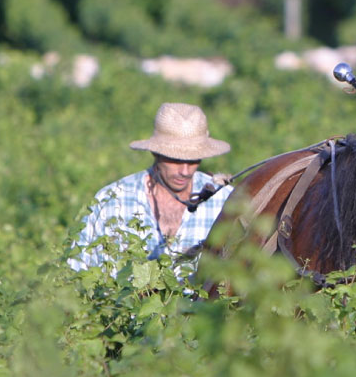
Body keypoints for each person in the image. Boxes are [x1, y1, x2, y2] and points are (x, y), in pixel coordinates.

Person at [68, 102, 234, 276]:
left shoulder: (223, 200)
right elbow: (77, 270)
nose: (185, 171)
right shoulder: (113, 201)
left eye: (193, 160)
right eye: (175, 160)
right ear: (155, 152)